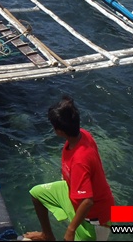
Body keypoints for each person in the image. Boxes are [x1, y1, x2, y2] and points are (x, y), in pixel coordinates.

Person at [25, 96, 115, 242]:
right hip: (73, 196)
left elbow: (88, 201)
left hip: (94, 217)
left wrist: (70, 230)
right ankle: (47, 235)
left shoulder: (80, 160)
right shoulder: (83, 135)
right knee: (37, 194)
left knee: (105, 221)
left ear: (59, 131)